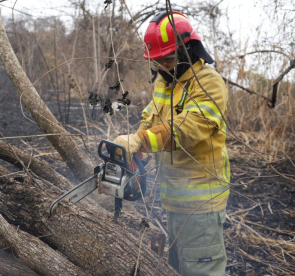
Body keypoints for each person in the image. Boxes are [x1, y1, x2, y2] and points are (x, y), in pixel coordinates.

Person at [114, 11, 230, 276]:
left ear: (186, 49)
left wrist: (141, 140)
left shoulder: (208, 83)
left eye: (166, 59)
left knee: (202, 270)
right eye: (157, 61)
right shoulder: (165, 82)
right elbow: (150, 117)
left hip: (201, 202)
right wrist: (136, 147)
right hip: (175, 198)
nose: (161, 66)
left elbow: (188, 129)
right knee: (179, 267)